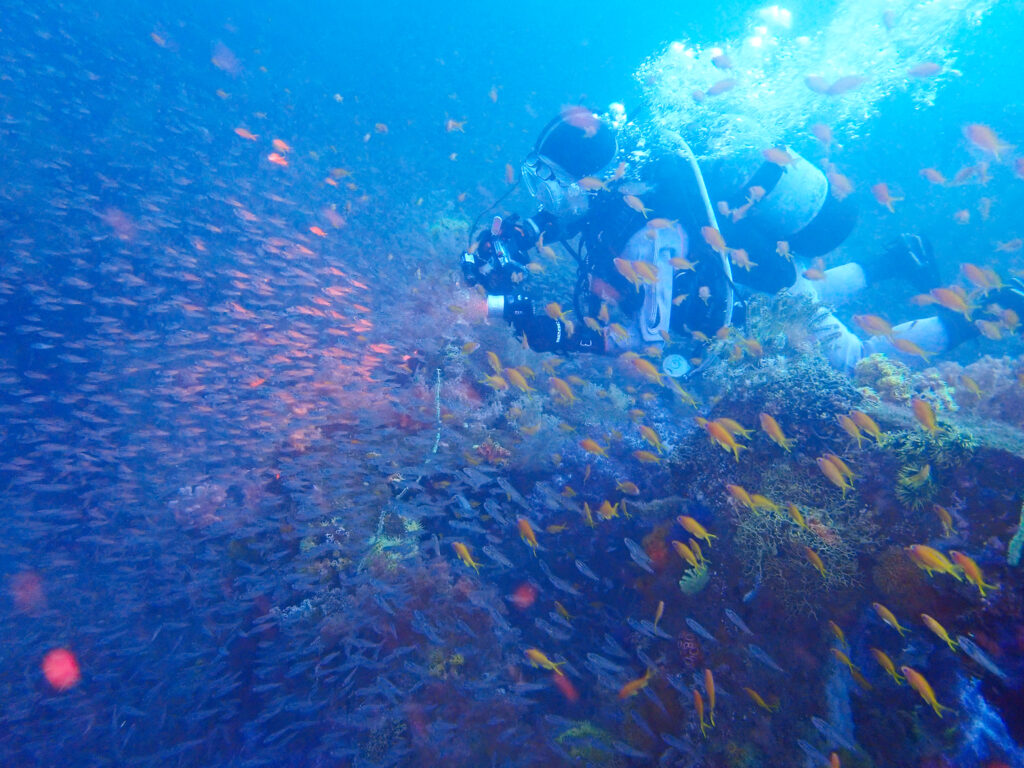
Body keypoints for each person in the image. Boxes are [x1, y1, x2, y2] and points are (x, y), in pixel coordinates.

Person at [459, 106, 1011, 376]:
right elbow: (574, 213)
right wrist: (526, 233)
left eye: (548, 182)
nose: (542, 195)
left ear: (588, 176)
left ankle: (988, 311)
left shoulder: (650, 239)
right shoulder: (623, 184)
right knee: (806, 289)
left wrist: (559, 334)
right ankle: (898, 258)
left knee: (854, 360)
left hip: (759, 292)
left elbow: (645, 338)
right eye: (536, 180)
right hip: (756, 271)